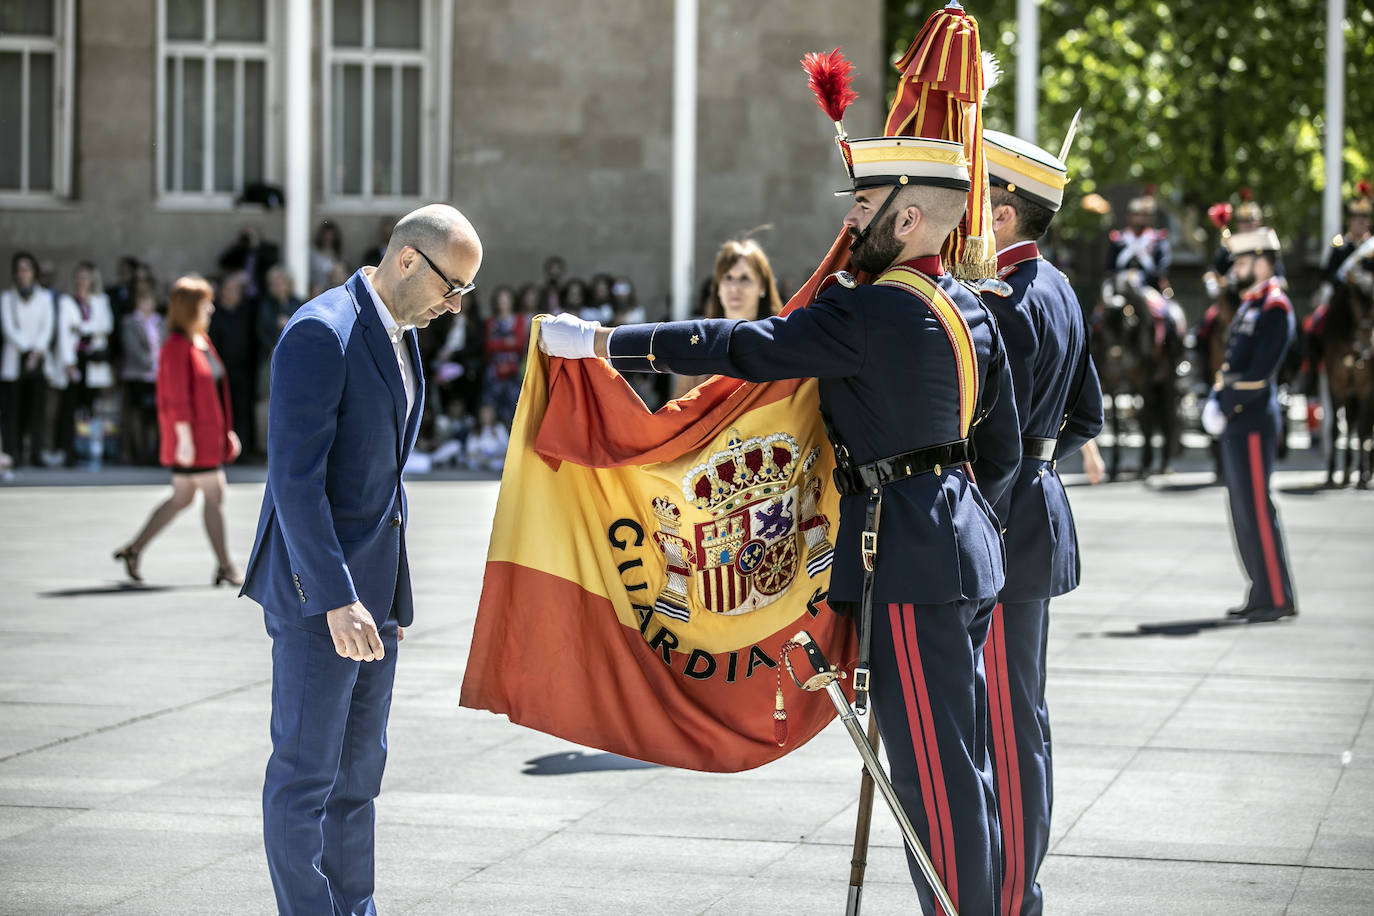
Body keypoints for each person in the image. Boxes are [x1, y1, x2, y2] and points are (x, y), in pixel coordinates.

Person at [540, 107, 1021, 914]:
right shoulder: (970, 308)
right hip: (964, 546)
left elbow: (742, 344)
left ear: (908, 217)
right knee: (964, 762)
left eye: (864, 207)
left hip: (905, 555)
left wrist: (603, 344)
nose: (849, 219)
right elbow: (999, 447)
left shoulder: (867, 313)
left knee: (933, 777)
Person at [241, 203, 481, 916]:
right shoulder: (321, 331)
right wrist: (336, 598)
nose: (454, 305)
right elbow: (295, 480)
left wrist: (390, 601)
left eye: (463, 293)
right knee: (305, 776)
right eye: (452, 286)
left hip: (373, 600)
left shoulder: (400, 333)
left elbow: (384, 484)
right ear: (408, 258)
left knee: (358, 781)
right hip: (322, 598)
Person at [979, 128, 1105, 916]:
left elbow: (985, 434)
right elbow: (1086, 415)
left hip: (1001, 517)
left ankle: (1018, 888)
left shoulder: (1004, 301)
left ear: (1001, 215)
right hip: (1040, 500)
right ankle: (1020, 879)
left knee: (1007, 716)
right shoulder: (1059, 289)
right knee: (1022, 707)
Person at [113, 275, 241, 584]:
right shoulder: (175, 346)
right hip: (192, 439)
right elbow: (175, 398)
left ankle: (134, 549)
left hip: (209, 435)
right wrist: (184, 440)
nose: (210, 308)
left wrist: (227, 432)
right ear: (189, 308)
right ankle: (225, 565)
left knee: (182, 497)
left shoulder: (202, 341)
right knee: (214, 492)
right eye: (204, 303)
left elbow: (214, 389)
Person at [1202, 227, 1298, 623]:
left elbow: (1261, 373)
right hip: (1238, 421)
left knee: (1257, 509)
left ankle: (1277, 595)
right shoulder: (1250, 304)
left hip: (1254, 419)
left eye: (1243, 262)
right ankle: (1261, 591)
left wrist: (1226, 401)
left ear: (1263, 261)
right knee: (1242, 510)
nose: (1237, 269)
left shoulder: (1275, 307)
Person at [672, 238, 785, 398]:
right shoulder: (698, 344)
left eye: (744, 278)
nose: (734, 288)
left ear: (762, 286)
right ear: (718, 287)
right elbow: (678, 415)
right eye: (728, 278)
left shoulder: (780, 344)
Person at [1, 252, 55, 467]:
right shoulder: (7, 298)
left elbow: (47, 327)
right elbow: (9, 328)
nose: (23, 274)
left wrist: (36, 351)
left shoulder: (44, 298)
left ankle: (36, 452)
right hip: (15, 360)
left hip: (38, 361)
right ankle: (13, 453)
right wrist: (26, 348)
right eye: (20, 270)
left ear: (33, 272)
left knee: (37, 410)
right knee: (13, 410)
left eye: (27, 269)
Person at [209, 271, 259, 457]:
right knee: (221, 412)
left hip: (243, 370)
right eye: (231, 289)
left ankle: (243, 451)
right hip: (220, 371)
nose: (235, 293)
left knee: (243, 411)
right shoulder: (215, 313)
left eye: (238, 290)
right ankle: (221, 450)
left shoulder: (246, 313)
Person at [119, 287, 164, 465]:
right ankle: (138, 452)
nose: (146, 304)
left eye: (149, 300)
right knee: (136, 415)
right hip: (137, 374)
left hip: (158, 376)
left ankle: (153, 453)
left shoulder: (161, 321)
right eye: (142, 301)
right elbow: (132, 348)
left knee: (155, 416)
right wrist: (153, 361)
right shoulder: (130, 321)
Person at [218, 225, 280, 301]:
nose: (250, 238)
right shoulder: (240, 250)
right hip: (243, 292)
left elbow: (273, 260)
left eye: (252, 235)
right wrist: (238, 244)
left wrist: (257, 245)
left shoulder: (267, 249)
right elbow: (224, 262)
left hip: (262, 290)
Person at [466, 402, 510, 471]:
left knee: (498, 464)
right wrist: (482, 458)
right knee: (472, 462)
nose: (486, 416)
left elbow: (506, 447)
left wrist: (497, 437)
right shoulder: (476, 430)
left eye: (488, 414)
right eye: (483, 414)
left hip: (496, 458)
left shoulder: (499, 428)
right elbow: (470, 450)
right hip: (480, 459)